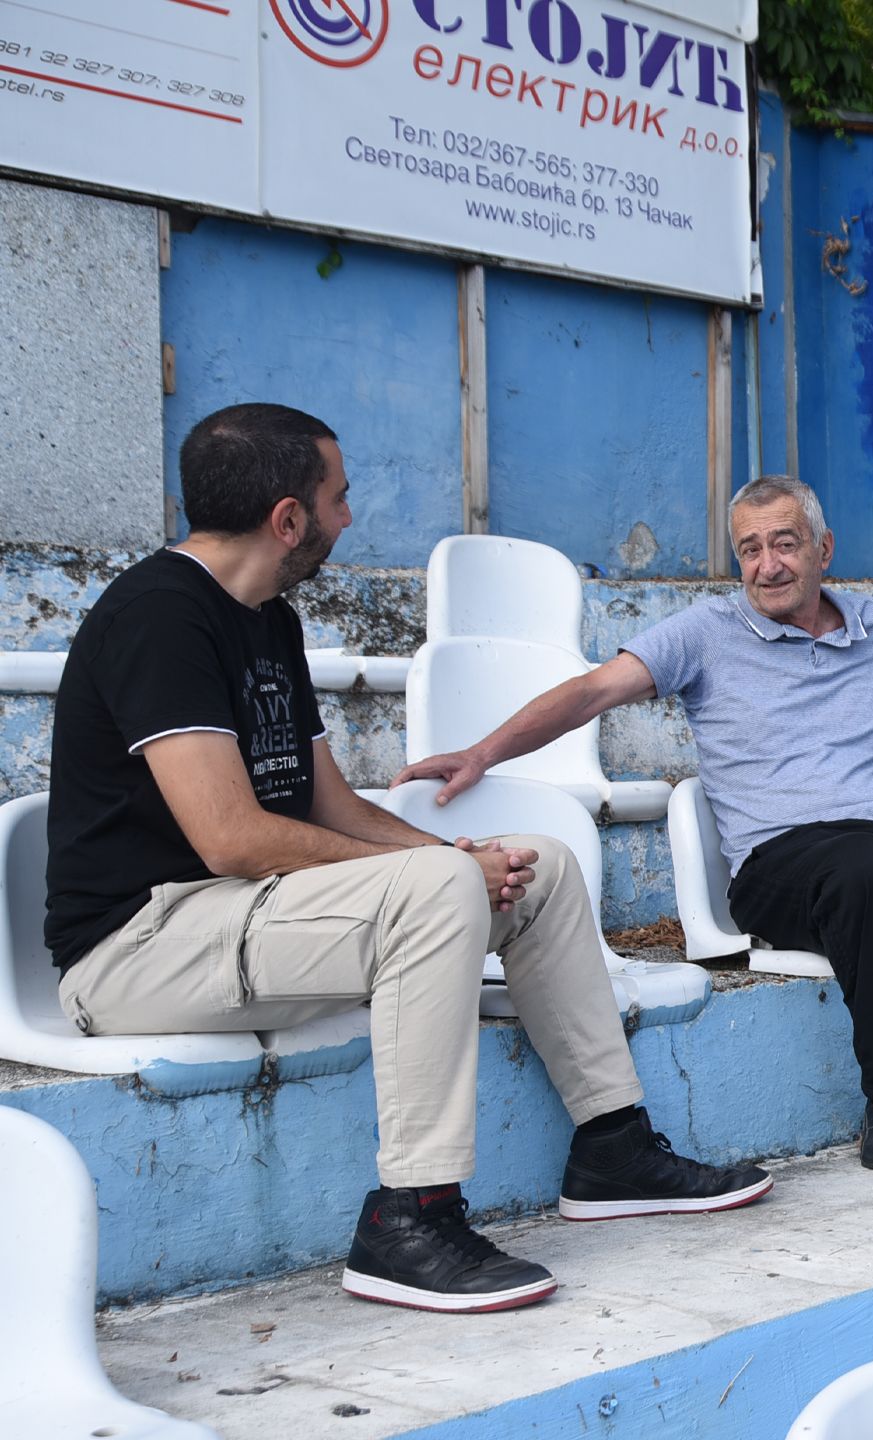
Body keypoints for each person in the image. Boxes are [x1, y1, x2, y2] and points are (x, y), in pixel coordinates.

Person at [45, 403, 771, 1315]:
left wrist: (464, 858)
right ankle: (409, 1219)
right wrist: (442, 877)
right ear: (288, 518)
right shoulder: (158, 617)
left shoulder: (268, 620)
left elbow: (331, 807)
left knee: (538, 867)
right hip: (142, 946)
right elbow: (231, 837)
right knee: (440, 888)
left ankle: (613, 1149)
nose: (348, 517)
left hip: (254, 919)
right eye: (338, 498)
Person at [397, 475, 873, 1174]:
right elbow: (591, 693)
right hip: (781, 868)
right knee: (858, 870)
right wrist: (481, 753)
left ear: (823, 549)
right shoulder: (704, 633)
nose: (767, 566)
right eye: (749, 549)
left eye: (784, 544)